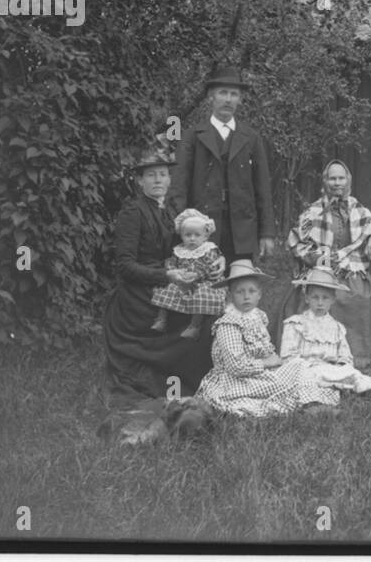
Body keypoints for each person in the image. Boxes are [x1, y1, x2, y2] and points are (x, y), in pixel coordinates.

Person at [102, 146, 216, 416]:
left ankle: (207, 379)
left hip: (170, 279)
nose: (157, 180)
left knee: (209, 306)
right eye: (150, 175)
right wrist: (167, 275)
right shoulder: (133, 213)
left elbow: (190, 244)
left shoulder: (171, 211)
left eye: (162, 174)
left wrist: (214, 258)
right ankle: (181, 379)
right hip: (138, 292)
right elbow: (125, 266)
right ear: (139, 181)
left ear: (169, 179)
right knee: (191, 318)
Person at [281, 160, 371, 368]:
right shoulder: (313, 211)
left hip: (351, 269)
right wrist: (317, 258)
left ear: (348, 180)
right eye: (332, 178)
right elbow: (296, 242)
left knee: (359, 299)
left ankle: (358, 357)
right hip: (321, 267)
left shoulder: (358, 209)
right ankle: (312, 355)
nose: (337, 183)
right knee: (315, 295)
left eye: (341, 178)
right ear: (325, 181)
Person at [195, 261, 339, 417]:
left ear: (259, 295)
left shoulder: (257, 316)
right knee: (260, 399)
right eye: (239, 292)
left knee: (300, 365)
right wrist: (266, 363)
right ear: (230, 295)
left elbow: (264, 348)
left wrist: (272, 360)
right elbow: (235, 367)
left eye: (251, 291)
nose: (246, 296)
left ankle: (312, 404)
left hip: (260, 373)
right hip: (235, 380)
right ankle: (301, 404)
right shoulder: (229, 324)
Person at [169, 66, 278, 264]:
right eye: (223, 93)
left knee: (240, 286)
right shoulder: (192, 136)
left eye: (234, 94)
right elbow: (179, 186)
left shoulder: (251, 138)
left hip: (242, 230)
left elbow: (263, 189)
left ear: (240, 99)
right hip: (201, 230)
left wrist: (266, 233)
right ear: (211, 97)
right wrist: (182, 226)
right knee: (205, 289)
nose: (228, 99)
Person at [280, 266, 371, 403]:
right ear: (307, 298)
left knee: (354, 374)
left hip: (331, 368)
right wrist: (309, 367)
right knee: (316, 379)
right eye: (315, 297)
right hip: (305, 370)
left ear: (333, 300)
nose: (320, 303)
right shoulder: (295, 323)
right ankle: (347, 394)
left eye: (325, 298)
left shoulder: (336, 327)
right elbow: (288, 357)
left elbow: (345, 356)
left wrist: (340, 365)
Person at [149, 208, 227, 340]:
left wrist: (197, 274)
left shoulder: (209, 249)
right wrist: (175, 271)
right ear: (181, 235)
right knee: (166, 289)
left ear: (205, 236)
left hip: (203, 281)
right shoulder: (179, 250)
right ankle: (161, 319)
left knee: (202, 295)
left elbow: (210, 266)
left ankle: (194, 326)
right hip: (182, 279)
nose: (192, 239)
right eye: (188, 235)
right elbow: (171, 263)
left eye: (197, 235)